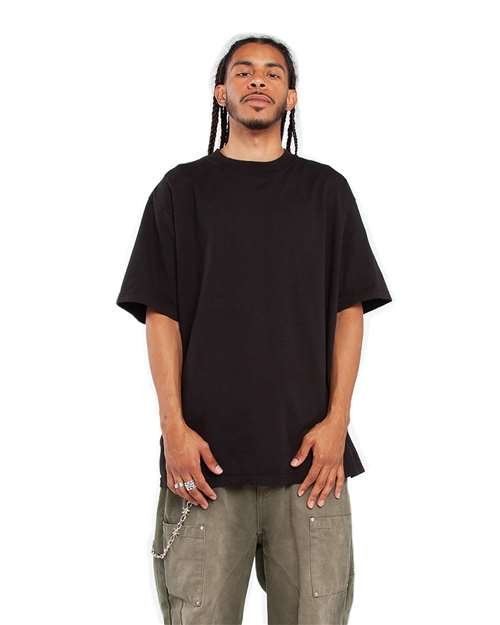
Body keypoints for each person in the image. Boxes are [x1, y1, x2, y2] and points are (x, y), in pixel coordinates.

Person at [116, 34, 392, 625]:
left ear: (292, 97)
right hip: (203, 464)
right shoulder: (181, 192)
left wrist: (337, 423)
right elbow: (161, 316)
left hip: (312, 465)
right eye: (243, 72)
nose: (258, 80)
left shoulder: (326, 192)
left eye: (273, 72)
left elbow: (349, 311)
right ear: (221, 92)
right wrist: (173, 430)